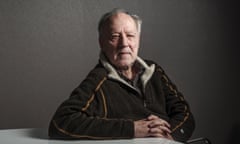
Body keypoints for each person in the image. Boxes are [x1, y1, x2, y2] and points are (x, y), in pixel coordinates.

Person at [48, 8, 195, 142]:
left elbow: (185, 114)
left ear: (138, 40)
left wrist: (169, 136)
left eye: (130, 35)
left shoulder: (154, 70)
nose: (124, 43)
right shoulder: (98, 79)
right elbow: (61, 123)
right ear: (102, 43)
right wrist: (132, 129)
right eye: (115, 36)